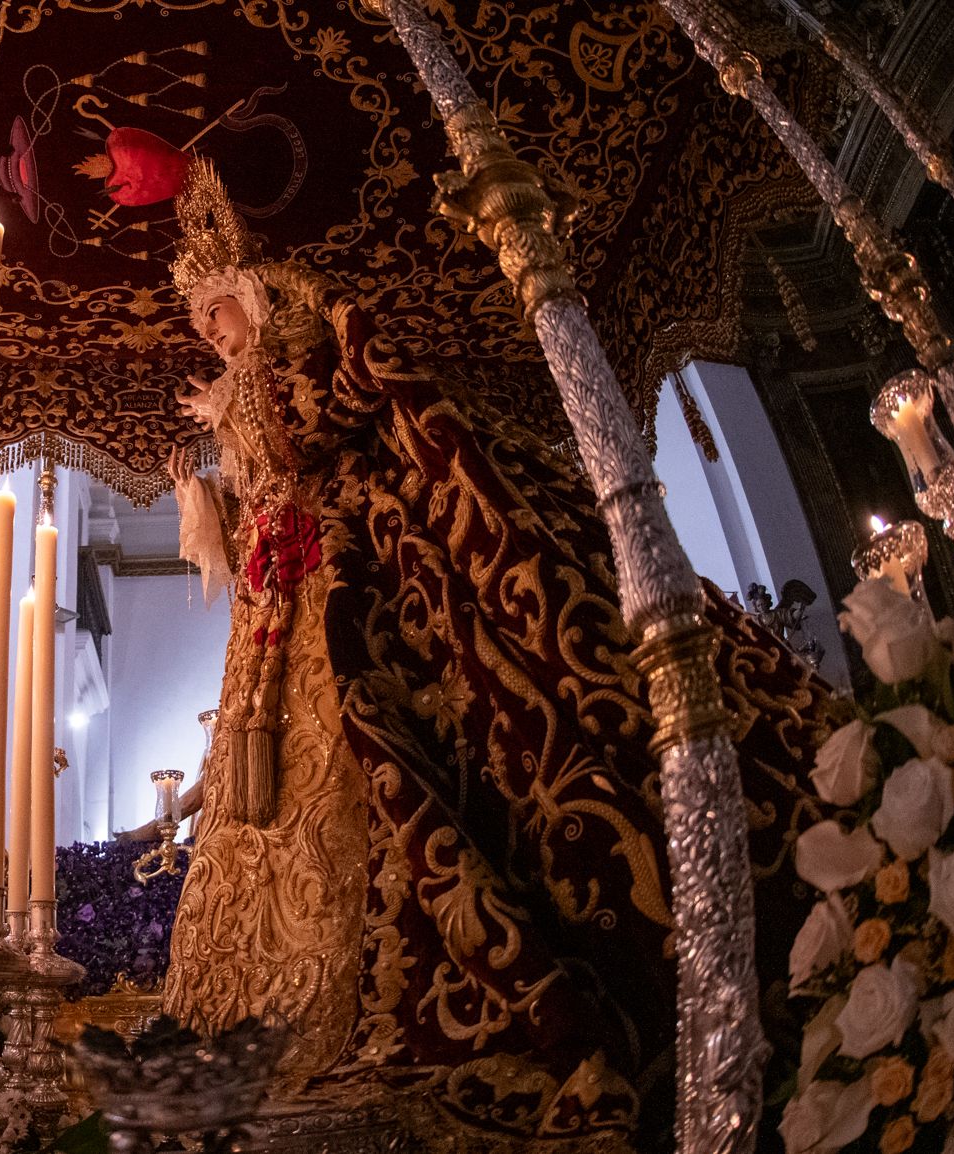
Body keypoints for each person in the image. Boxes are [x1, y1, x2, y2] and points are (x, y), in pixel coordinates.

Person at [158, 159, 835, 1150]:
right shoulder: (237, 389)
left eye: (216, 315)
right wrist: (201, 497)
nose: (211, 336)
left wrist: (296, 344)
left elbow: (328, 421)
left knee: (394, 721)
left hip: (344, 564)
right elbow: (260, 492)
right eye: (204, 328)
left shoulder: (293, 349)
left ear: (247, 297)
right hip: (276, 598)